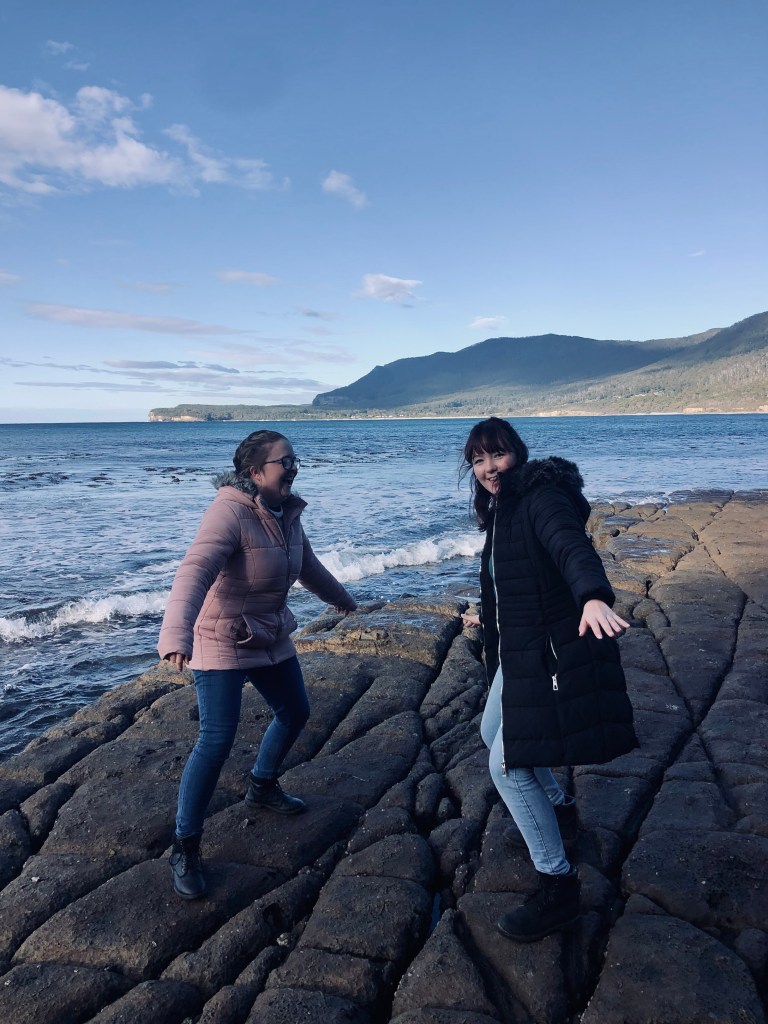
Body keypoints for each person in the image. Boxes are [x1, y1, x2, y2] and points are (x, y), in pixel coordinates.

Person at [158, 429, 357, 899]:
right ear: (255, 473)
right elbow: (195, 571)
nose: (293, 468)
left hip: (267, 634)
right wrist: (175, 635)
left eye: (295, 459)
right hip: (218, 638)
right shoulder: (228, 512)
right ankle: (185, 845)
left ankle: (262, 785)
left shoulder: (287, 514)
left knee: (295, 712)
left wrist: (344, 600)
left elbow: (307, 565)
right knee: (216, 737)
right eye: (284, 461)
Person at [461, 416, 637, 942]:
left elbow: (570, 548)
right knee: (492, 735)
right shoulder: (502, 507)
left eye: (497, 455)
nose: (489, 468)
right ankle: (560, 809)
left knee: (508, 765)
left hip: (548, 652)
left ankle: (558, 887)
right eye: (477, 459)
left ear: (518, 453)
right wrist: (485, 620)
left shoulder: (541, 498)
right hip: (517, 649)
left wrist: (592, 595)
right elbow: (513, 581)